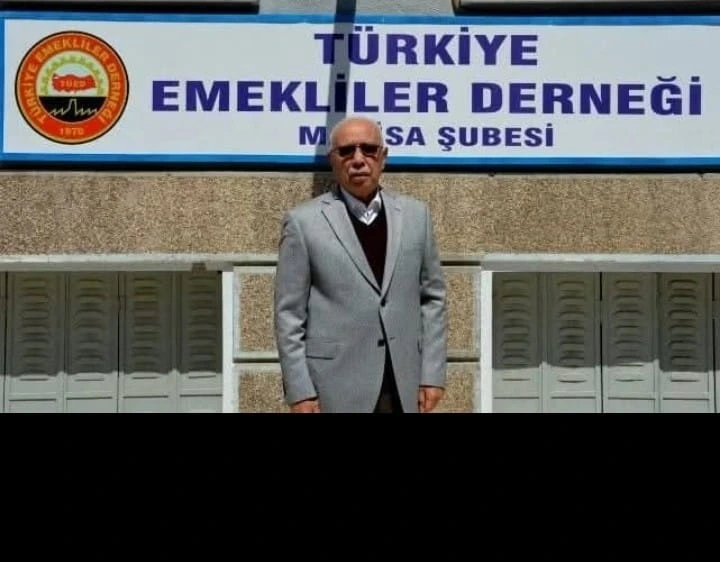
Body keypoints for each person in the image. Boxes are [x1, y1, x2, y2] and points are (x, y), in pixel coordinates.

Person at [273, 115, 448, 413]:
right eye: (346, 151)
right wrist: (300, 390)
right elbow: (289, 314)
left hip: (403, 385)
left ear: (383, 157)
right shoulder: (303, 223)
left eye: (368, 149)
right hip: (334, 386)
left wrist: (432, 374)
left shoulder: (417, 216)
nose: (358, 159)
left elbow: (433, 299)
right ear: (332, 159)